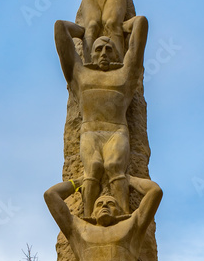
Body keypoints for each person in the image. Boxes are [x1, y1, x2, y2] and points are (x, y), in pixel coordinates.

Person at [55, 15, 147, 216]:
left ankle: (123, 214)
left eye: (109, 49)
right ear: (91, 53)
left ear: (116, 54)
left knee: (115, 167)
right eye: (98, 49)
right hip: (91, 131)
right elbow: (60, 29)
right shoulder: (79, 74)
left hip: (116, 131)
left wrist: (119, 25)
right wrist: (85, 31)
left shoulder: (126, 75)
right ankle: (88, 217)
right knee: (93, 169)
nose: (104, 53)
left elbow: (140, 25)